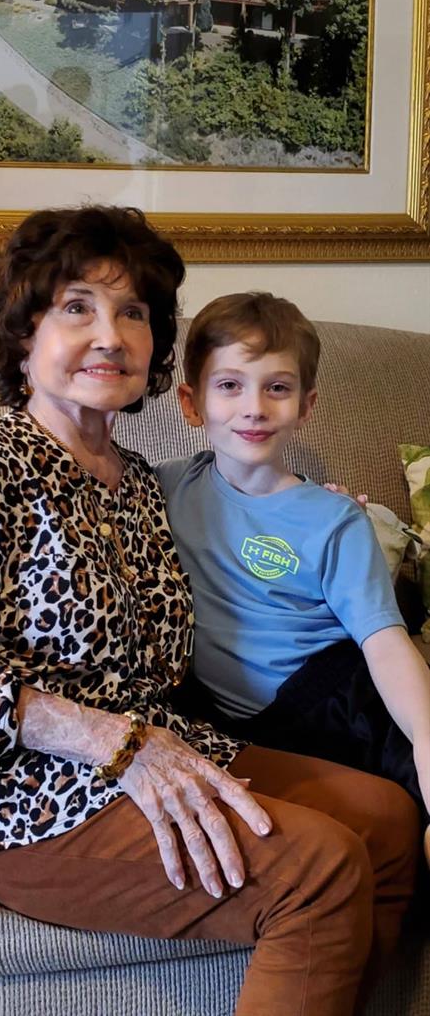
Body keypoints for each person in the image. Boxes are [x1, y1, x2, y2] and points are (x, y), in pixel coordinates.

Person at [0, 209, 419, 1016]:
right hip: (22, 791)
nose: (109, 334)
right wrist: (112, 741)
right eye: (76, 306)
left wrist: (335, 513)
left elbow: (252, 520)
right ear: (23, 337)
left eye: (131, 311)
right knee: (319, 868)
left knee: (385, 820)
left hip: (161, 744)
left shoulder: (146, 482)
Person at [156, 290, 430, 867]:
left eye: (276, 387)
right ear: (191, 402)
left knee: (394, 724)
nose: (253, 407)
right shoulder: (163, 488)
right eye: (229, 385)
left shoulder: (333, 520)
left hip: (328, 692)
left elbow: (384, 646)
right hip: (228, 719)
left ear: (306, 406)